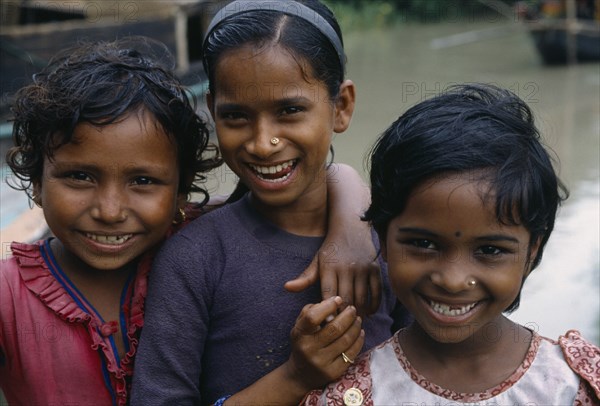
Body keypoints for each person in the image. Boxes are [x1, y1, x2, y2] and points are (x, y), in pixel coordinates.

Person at [0, 36, 388, 405]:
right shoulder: (8, 297)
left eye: (143, 181)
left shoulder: (196, 238)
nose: (110, 211)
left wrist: (352, 227)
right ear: (36, 181)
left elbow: (330, 178)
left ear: (180, 193)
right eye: (79, 177)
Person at [131, 1, 408, 405]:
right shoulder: (195, 258)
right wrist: (295, 378)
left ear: (341, 106)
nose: (263, 143)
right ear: (212, 111)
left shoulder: (391, 243)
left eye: (290, 110)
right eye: (236, 116)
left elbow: (436, 375)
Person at [303, 83, 600, 405]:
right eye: (424, 244)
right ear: (384, 239)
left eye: (490, 250)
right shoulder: (353, 393)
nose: (453, 280)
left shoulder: (572, 387)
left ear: (532, 251)